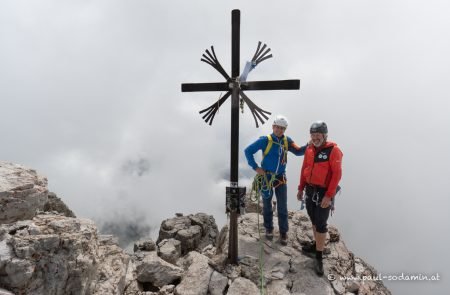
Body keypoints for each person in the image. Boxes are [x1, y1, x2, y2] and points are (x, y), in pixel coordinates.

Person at [245, 115, 307, 245]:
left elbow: (298, 151)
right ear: (273, 127)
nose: (279, 130)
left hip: (280, 177)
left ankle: (283, 232)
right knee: (267, 204)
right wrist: (255, 167)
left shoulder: (287, 141)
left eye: (282, 128)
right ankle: (269, 228)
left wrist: (309, 146)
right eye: (277, 127)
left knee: (282, 205)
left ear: (285, 129)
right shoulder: (265, 140)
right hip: (266, 176)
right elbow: (248, 151)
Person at [297, 121, 343, 276]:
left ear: (324, 135)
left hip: (324, 193)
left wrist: (329, 196)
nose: (315, 138)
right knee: (314, 220)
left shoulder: (333, 150)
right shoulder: (310, 148)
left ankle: (319, 257)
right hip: (310, 190)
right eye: (313, 135)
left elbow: (337, 174)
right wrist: (300, 188)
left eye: (318, 135)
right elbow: (305, 168)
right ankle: (317, 245)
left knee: (321, 224)